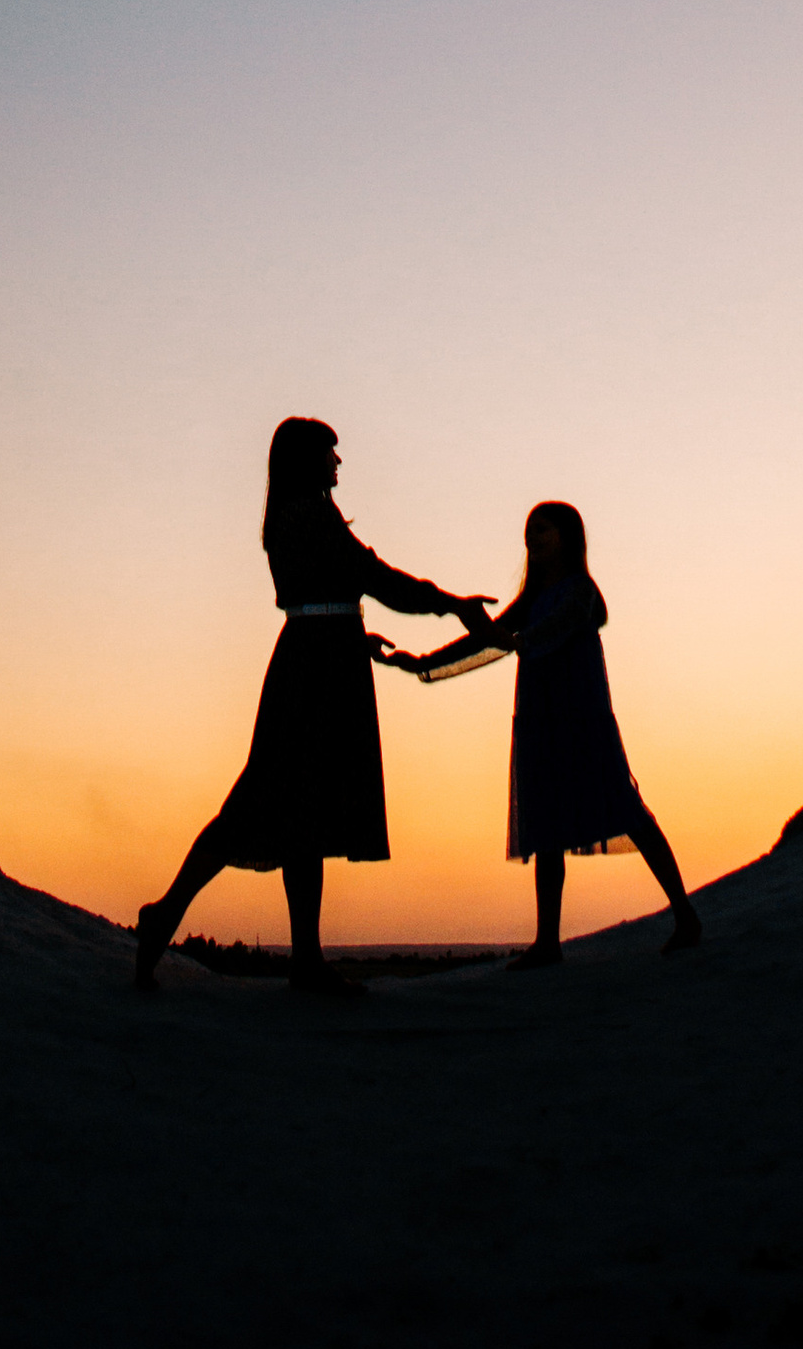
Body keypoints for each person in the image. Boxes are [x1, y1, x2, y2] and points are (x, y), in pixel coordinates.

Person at [134, 417, 491, 995]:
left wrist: (354, 636)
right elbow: (374, 578)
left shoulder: (295, 514)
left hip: (323, 658)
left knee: (305, 810)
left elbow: (331, 595)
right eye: (331, 452)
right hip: (315, 672)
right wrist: (451, 605)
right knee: (262, 804)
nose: (339, 463)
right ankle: (172, 914)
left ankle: (303, 960)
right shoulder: (308, 513)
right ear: (308, 458)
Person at [392, 500, 699, 963]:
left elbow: (551, 629)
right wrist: (422, 663)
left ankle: (685, 914)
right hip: (539, 716)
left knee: (624, 807)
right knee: (545, 819)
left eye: (544, 530)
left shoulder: (582, 590)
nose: (534, 538)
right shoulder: (533, 597)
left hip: (581, 714)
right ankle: (547, 940)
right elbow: (489, 639)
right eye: (530, 531)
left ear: (568, 537)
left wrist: (516, 641)